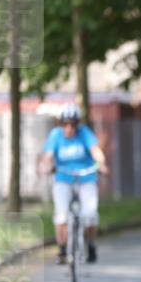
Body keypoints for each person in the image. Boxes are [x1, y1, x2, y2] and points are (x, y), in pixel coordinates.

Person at [41, 103, 108, 264]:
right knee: (61, 215)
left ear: (78, 124)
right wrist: (47, 165)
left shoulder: (84, 133)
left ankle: (91, 245)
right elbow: (48, 155)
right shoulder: (55, 135)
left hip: (86, 177)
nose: (69, 128)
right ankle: (62, 249)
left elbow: (96, 151)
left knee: (90, 214)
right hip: (63, 178)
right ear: (60, 124)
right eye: (65, 124)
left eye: (73, 124)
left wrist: (102, 164)